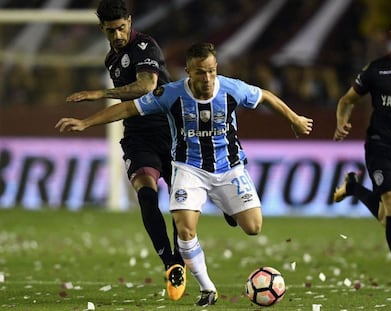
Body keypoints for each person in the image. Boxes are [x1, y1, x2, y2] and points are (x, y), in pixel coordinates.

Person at [56, 42, 313, 306]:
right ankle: (207, 288)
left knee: (253, 228)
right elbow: (128, 108)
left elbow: (265, 96)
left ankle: (226, 205)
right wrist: (86, 122)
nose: (208, 78)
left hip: (230, 168)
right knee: (185, 230)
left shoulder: (232, 89)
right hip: (189, 169)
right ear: (188, 71)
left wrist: (294, 119)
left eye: (212, 71)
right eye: (201, 72)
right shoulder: (171, 94)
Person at [65, 0, 186, 301]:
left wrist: (98, 93)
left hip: (169, 129)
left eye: (121, 28)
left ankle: (181, 260)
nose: (117, 35)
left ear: (130, 22)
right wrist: (85, 123)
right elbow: (128, 107)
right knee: (146, 194)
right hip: (137, 135)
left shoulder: (145, 46)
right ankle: (170, 263)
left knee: (180, 202)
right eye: (111, 30)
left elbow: (146, 87)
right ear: (102, 29)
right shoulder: (111, 59)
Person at [333, 9, 391, 293]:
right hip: (381, 147)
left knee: (387, 216)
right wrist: (342, 122)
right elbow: (347, 100)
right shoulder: (377, 69)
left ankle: (354, 188)